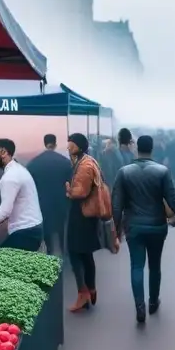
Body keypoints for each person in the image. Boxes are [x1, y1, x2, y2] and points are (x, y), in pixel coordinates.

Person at [112, 135, 175, 324]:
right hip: (156, 226)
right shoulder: (162, 171)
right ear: (152, 148)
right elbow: (172, 198)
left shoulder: (124, 172)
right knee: (155, 265)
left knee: (136, 266)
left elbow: (116, 204)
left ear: (137, 149)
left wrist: (116, 228)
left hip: (134, 227)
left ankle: (139, 306)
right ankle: (153, 301)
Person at [66, 133, 112, 312]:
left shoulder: (84, 165)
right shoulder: (87, 160)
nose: (68, 147)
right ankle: (90, 289)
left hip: (82, 215)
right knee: (86, 254)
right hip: (87, 216)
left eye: (71, 144)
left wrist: (68, 190)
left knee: (76, 253)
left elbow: (81, 192)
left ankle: (83, 293)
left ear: (78, 146)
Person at [0, 139, 44, 251]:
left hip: (25, 233)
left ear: (4, 152)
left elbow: (5, 211)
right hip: (33, 229)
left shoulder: (9, 177)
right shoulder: (19, 169)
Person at [27, 134, 73, 255]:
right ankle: (64, 253)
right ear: (55, 143)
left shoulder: (33, 164)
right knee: (62, 229)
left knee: (47, 232)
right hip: (61, 204)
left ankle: (50, 254)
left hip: (42, 204)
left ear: (44, 143)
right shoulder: (65, 162)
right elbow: (71, 186)